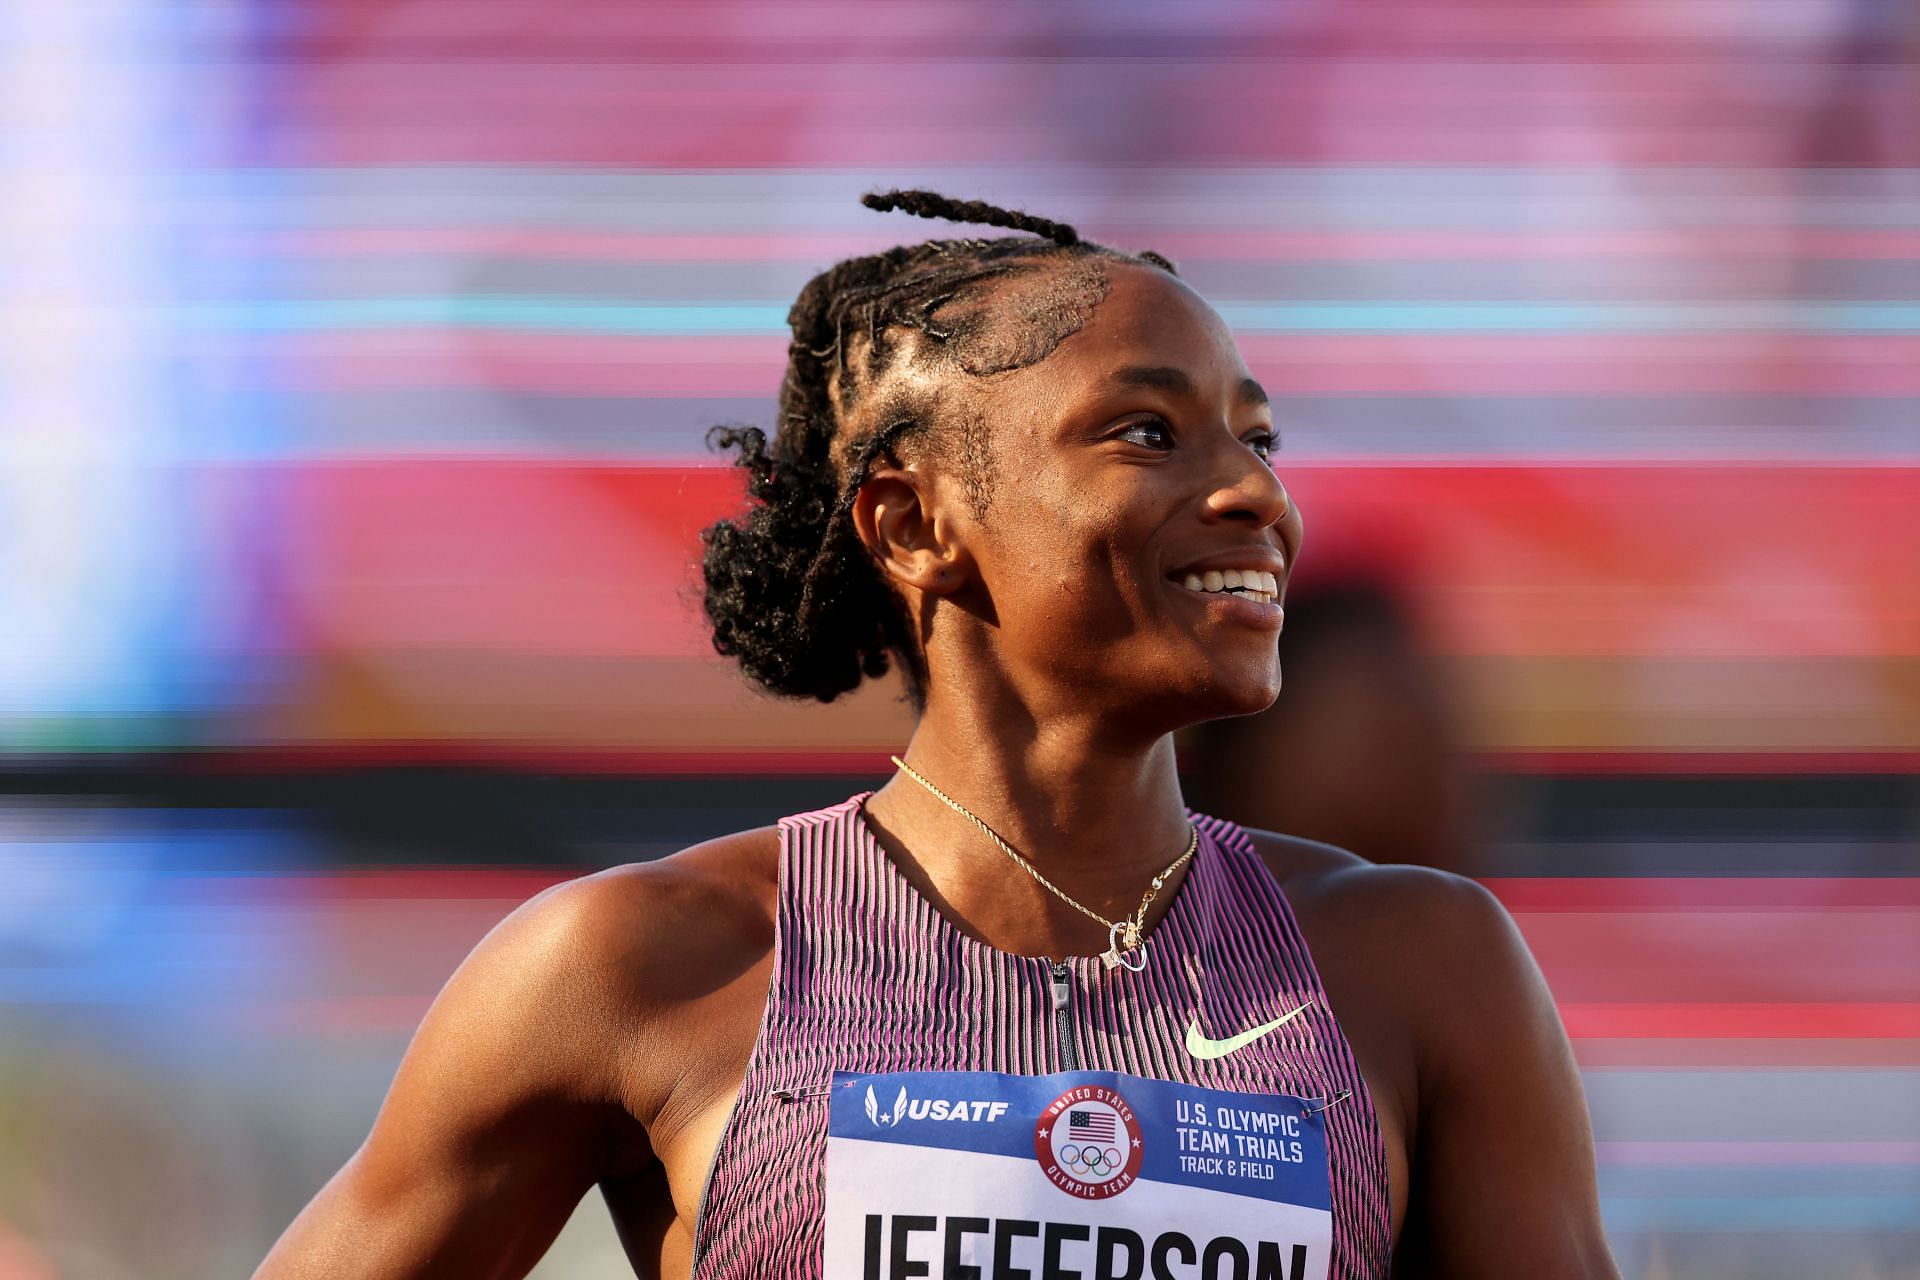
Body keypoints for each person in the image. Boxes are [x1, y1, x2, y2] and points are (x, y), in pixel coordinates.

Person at [254, 191, 1619, 1280]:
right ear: (913, 524)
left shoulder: (1421, 970)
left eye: (1257, 439)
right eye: (1149, 432)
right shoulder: (641, 966)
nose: (1254, 493)